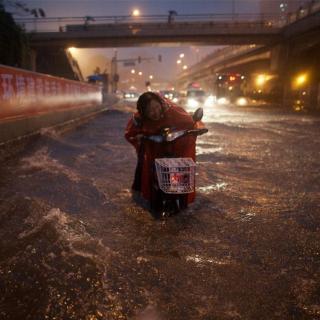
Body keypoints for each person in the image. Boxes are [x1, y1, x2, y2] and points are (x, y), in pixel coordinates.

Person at [125, 91, 202, 209]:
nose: (155, 112)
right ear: (143, 112)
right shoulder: (139, 119)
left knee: (181, 168)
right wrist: (139, 137)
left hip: (173, 146)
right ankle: (140, 189)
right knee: (143, 163)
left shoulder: (174, 111)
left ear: (161, 104)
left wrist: (195, 130)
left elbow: (191, 123)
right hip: (153, 145)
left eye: (156, 107)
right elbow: (130, 133)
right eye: (150, 110)